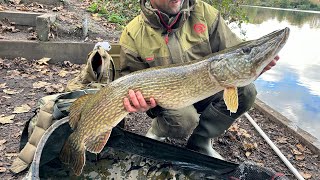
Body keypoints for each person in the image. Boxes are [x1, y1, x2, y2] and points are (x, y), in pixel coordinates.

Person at [119, 0, 279, 159]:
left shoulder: (204, 13)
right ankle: (157, 130)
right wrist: (138, 103)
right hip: (166, 100)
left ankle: (201, 141)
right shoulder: (132, 33)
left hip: (207, 88)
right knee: (184, 120)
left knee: (247, 91)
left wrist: (254, 67)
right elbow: (128, 81)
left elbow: (235, 52)